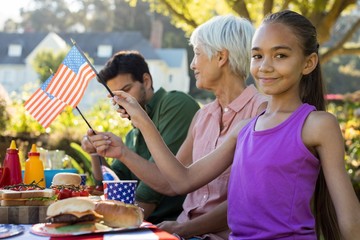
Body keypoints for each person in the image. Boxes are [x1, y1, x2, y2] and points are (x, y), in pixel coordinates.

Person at [90, 10, 360, 239]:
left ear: (308, 63)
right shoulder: (245, 127)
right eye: (257, 56)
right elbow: (182, 179)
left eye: (280, 56)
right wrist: (142, 120)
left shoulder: (317, 124)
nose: (265, 66)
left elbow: (348, 219)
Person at [86, 14, 267, 239]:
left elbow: (246, 201)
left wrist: (183, 229)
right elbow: (172, 182)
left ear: (221, 57)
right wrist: (122, 152)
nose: (192, 64)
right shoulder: (203, 117)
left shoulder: (262, 113)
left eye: (197, 53)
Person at [81, 50, 200, 224]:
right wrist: (95, 153)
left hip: (176, 226)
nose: (119, 102)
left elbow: (154, 190)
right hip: (146, 224)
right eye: (115, 96)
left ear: (146, 81)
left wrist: (113, 220)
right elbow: (110, 183)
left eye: (126, 91)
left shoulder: (175, 104)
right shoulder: (132, 134)